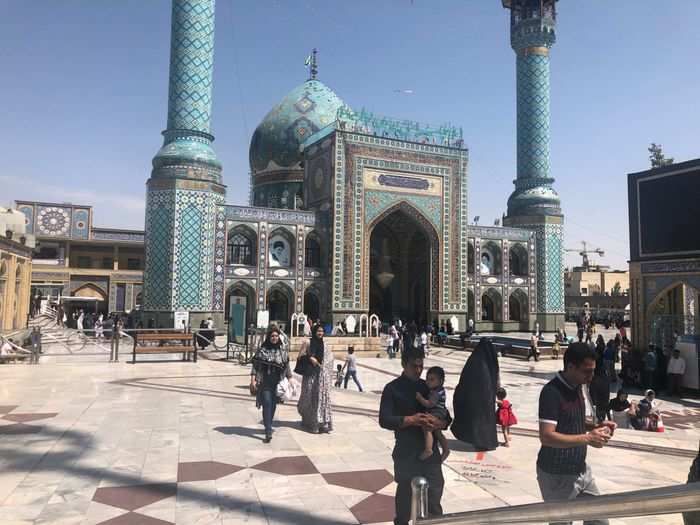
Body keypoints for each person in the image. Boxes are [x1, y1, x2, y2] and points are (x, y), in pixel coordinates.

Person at [536, 343, 616, 525]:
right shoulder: (551, 393)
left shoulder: (578, 386)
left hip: (581, 471)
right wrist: (588, 438)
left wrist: (597, 425)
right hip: (557, 475)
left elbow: (572, 420)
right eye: (587, 371)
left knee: (599, 520)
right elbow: (547, 436)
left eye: (593, 371)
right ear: (571, 367)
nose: (591, 376)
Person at [379, 346, 450, 525]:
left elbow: (446, 416)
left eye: (421, 366)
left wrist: (439, 423)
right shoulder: (392, 389)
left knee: (434, 497)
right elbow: (385, 419)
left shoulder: (427, 387)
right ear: (404, 364)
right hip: (407, 451)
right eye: (414, 366)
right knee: (405, 500)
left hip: (429, 453)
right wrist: (411, 420)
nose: (418, 370)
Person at [452, 338, 500, 451]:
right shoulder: (490, 361)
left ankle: (479, 441)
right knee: (486, 419)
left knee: (477, 420)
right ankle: (487, 441)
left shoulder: (473, 360)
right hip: (487, 398)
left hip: (474, 397)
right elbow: (496, 378)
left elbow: (464, 379)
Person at [249, 325, 292, 443]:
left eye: (276, 336)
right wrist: (253, 380)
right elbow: (256, 366)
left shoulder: (282, 351)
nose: (274, 338)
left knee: (273, 405)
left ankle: (268, 423)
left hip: (277, 382)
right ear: (269, 337)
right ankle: (268, 431)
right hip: (265, 381)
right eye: (272, 336)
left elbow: (286, 366)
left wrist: (290, 378)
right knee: (267, 403)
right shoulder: (263, 350)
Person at [297, 324, 334, 433]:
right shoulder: (307, 343)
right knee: (309, 398)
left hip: (321, 377)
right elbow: (299, 357)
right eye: (318, 331)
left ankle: (321, 423)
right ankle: (310, 422)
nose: (320, 333)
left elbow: (330, 359)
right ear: (314, 331)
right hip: (310, 376)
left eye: (322, 331)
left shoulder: (325, 344)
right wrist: (310, 358)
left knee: (320, 399)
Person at [416, 366, 450, 461]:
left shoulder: (436, 392)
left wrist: (420, 398)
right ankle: (446, 449)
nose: (428, 382)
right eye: (427, 379)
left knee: (427, 427)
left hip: (437, 412)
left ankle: (428, 449)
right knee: (438, 432)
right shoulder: (438, 389)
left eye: (432, 380)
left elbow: (429, 404)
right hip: (440, 412)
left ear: (440, 381)